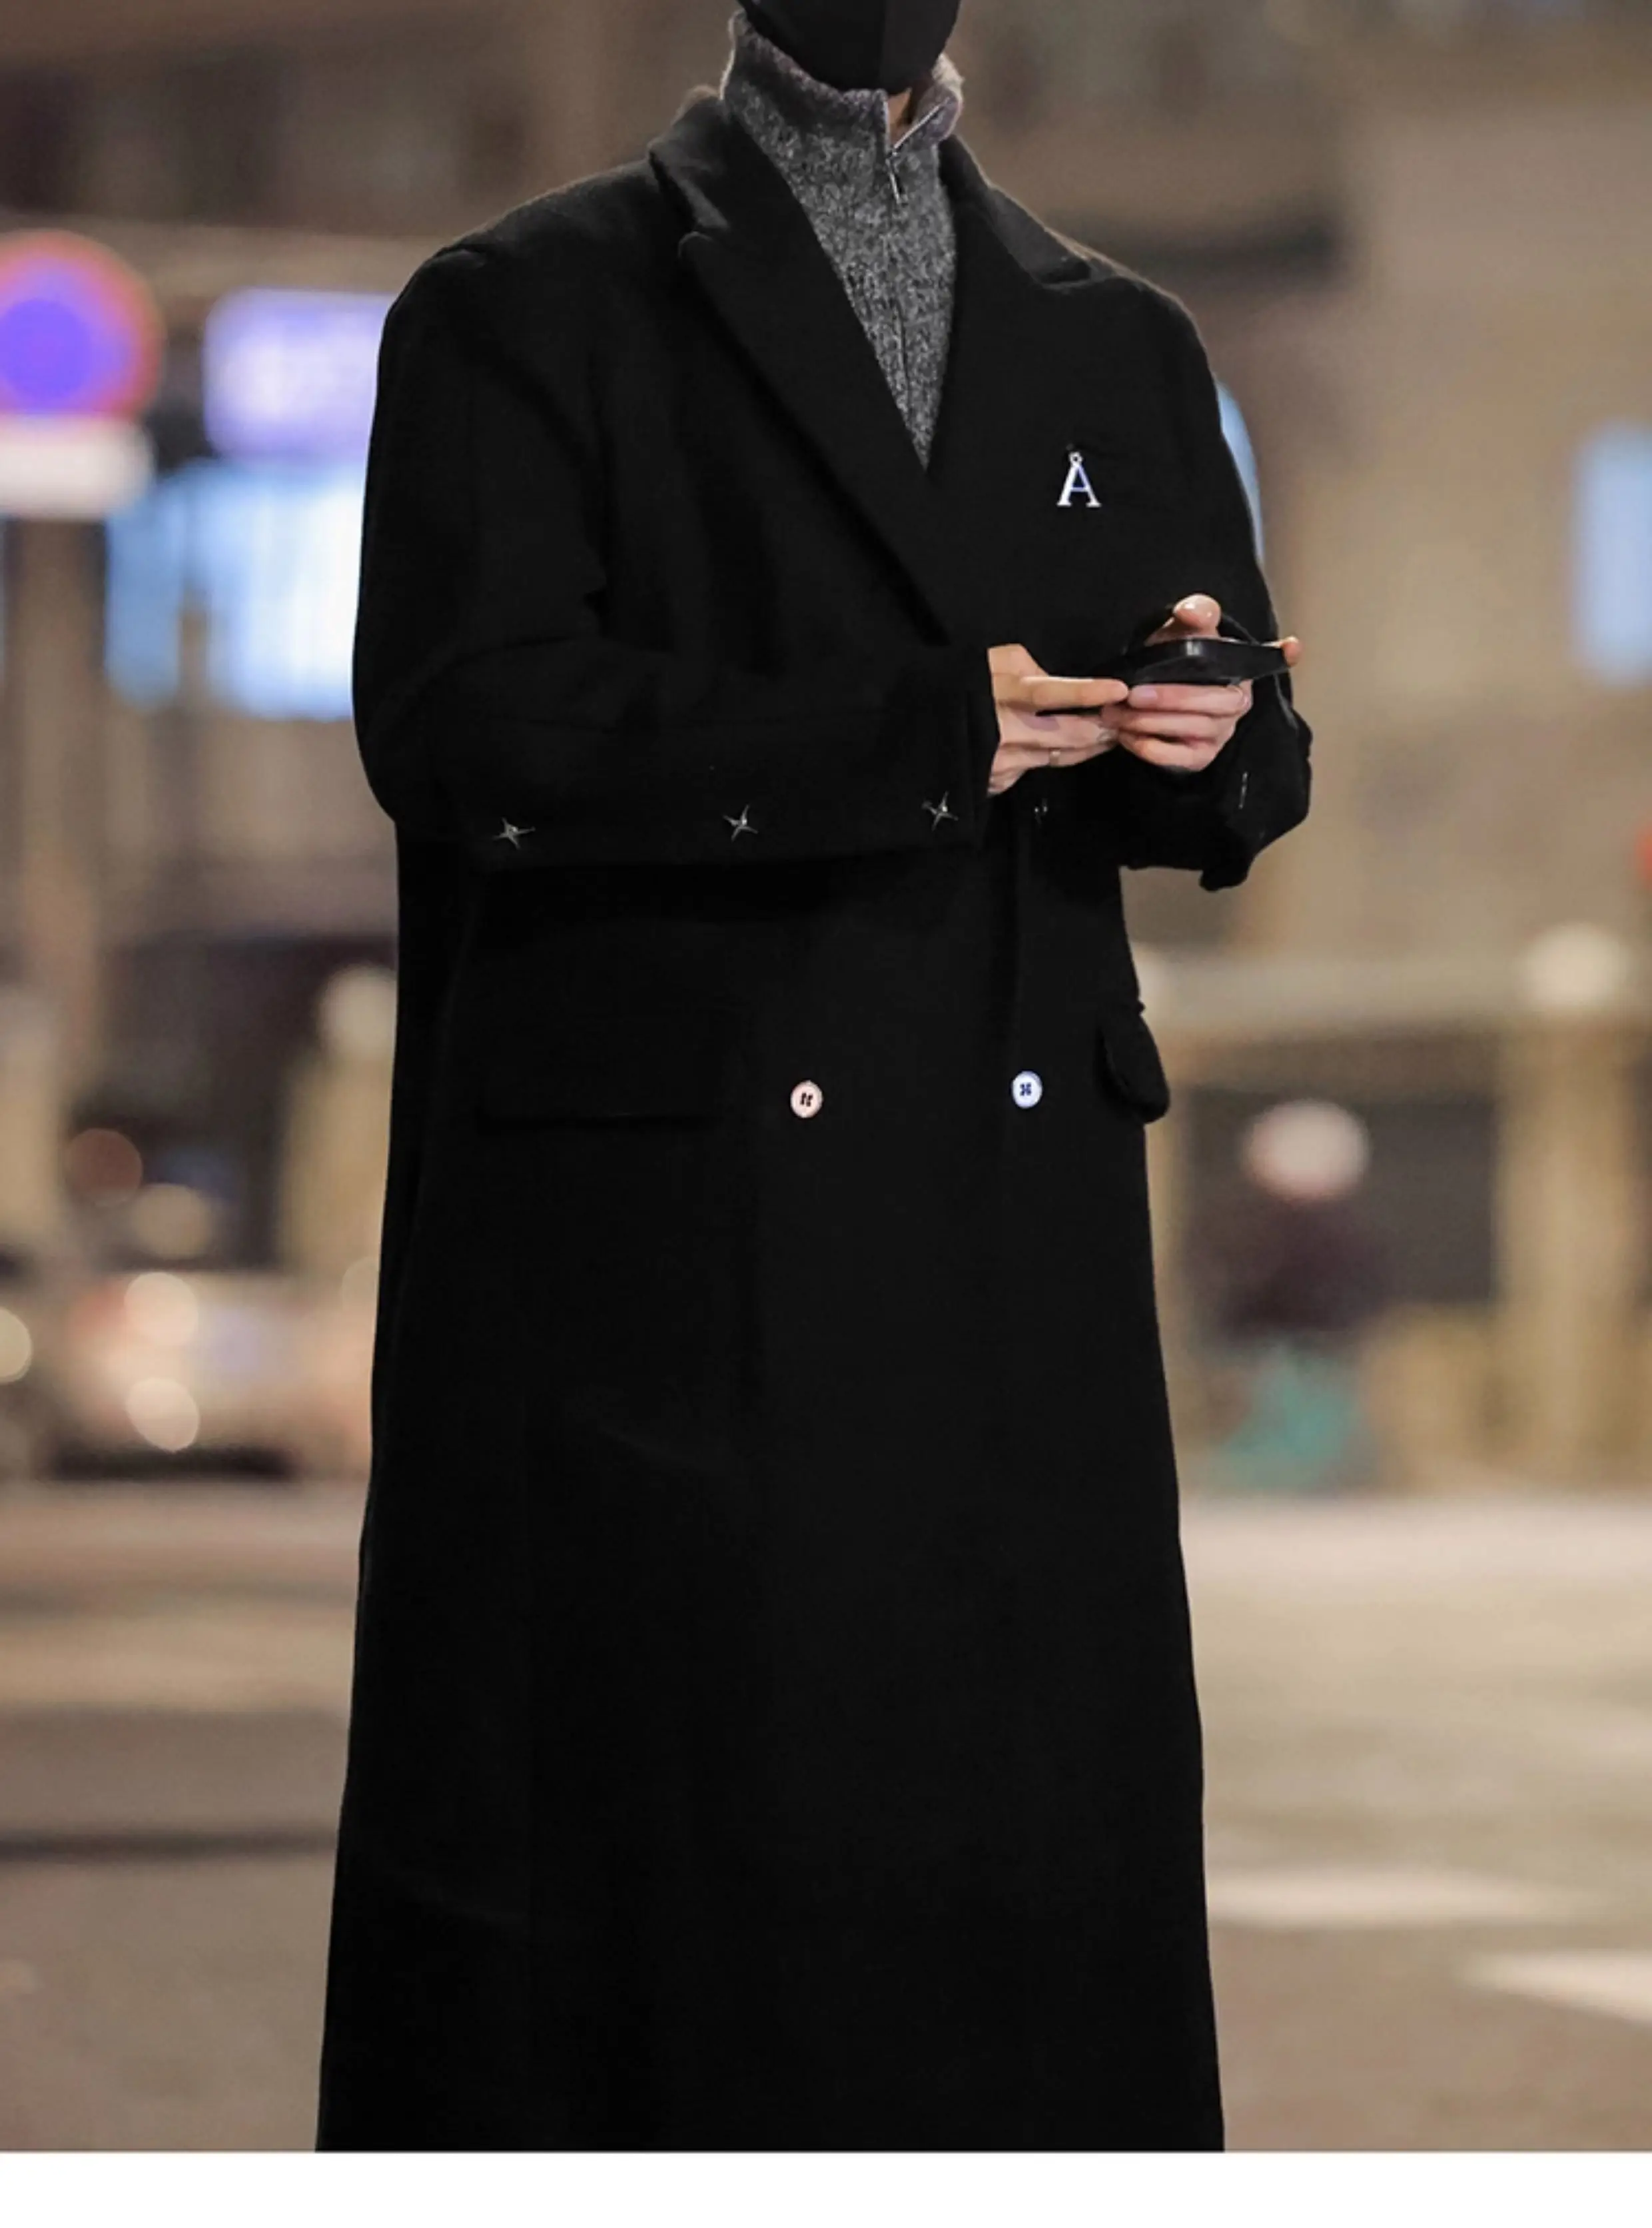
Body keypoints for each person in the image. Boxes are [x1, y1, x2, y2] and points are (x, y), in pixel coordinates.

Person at [316, 0, 1312, 2153]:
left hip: (1007, 1237)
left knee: (1019, 1878)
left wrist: (1214, 737)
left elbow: (1236, 728)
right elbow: (467, 725)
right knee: (673, 1895)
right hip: (667, 1250)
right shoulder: (522, 307)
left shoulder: (1114, 336)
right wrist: (908, 735)